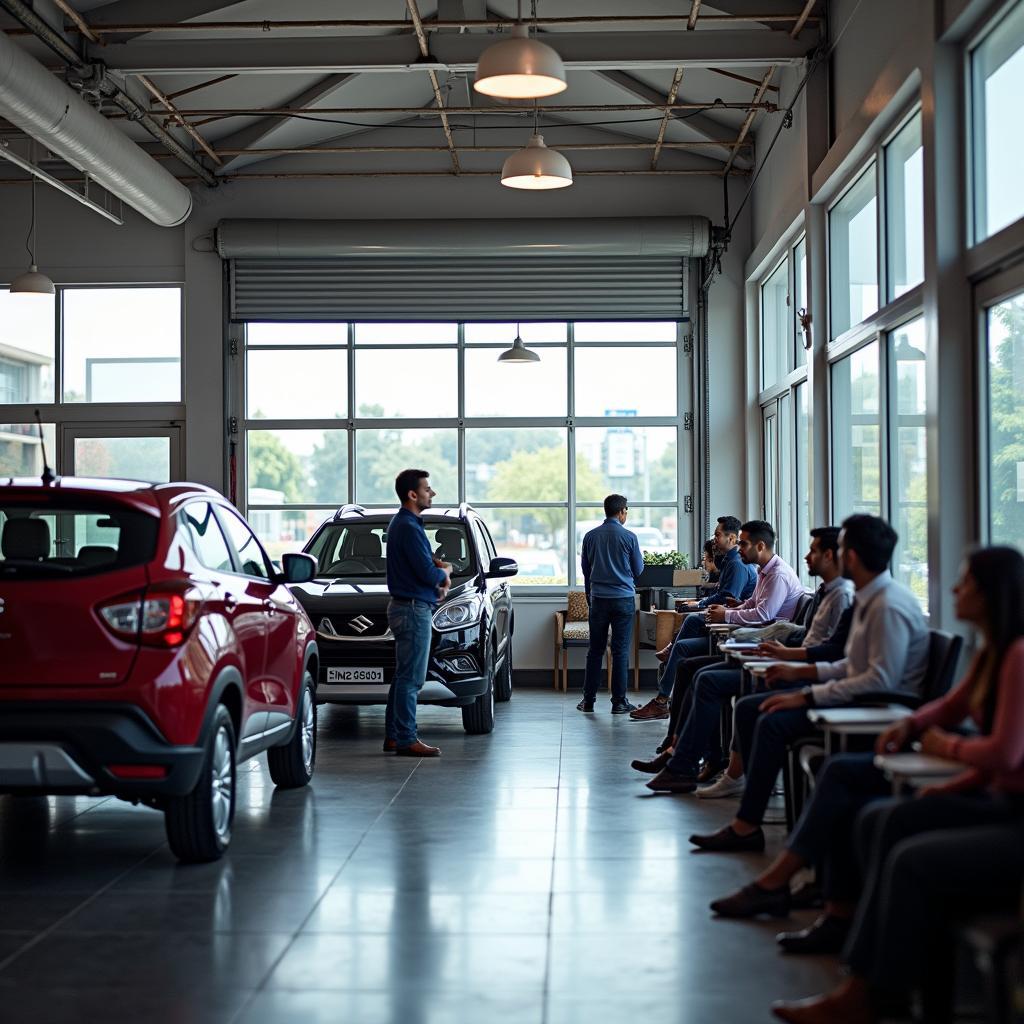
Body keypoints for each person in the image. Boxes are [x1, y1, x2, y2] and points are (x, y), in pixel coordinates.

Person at [769, 549, 1024, 1024]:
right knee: (876, 818)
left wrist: (944, 749)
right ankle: (857, 945)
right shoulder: (993, 652)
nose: (953, 590)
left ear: (991, 595)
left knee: (909, 855)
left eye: (965, 583)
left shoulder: (1018, 657)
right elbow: (948, 708)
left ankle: (875, 988)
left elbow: (1005, 756)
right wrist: (914, 730)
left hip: (1011, 815)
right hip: (994, 798)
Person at [687, 514, 930, 851]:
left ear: (850, 557)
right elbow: (849, 664)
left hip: (872, 709)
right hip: (856, 695)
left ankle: (746, 823)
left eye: (837, 549)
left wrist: (806, 693)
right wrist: (803, 677)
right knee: (752, 704)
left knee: (765, 715)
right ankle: (743, 814)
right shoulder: (868, 598)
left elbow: (875, 679)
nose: (808, 556)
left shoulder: (885, 606)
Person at [691, 526, 854, 799]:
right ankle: (701, 762)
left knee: (729, 693)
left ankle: (726, 774)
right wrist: (788, 654)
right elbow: (815, 642)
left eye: (812, 551)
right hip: (799, 663)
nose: (806, 556)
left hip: (812, 675)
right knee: (702, 674)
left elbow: (835, 653)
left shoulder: (843, 596)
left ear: (830, 555)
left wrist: (791, 660)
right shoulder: (826, 592)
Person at [645, 520, 804, 793]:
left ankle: (686, 759)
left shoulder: (777, 575)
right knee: (687, 667)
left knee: (701, 674)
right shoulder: (764, 573)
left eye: (742, 543)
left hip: (764, 649)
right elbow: (754, 606)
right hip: (756, 642)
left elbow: (765, 616)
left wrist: (727, 614)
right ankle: (675, 747)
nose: (738, 548)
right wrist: (736, 606)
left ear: (760, 546)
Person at [630, 515, 756, 721]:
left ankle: (663, 697)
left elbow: (727, 598)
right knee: (689, 622)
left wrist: (699, 605)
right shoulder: (731, 562)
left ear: (732, 538)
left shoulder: (737, 564)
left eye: (717, 535)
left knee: (689, 624)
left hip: (732, 626)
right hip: (726, 619)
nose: (714, 540)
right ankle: (665, 686)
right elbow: (723, 594)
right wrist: (699, 605)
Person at [384, 468, 451, 757]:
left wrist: (437, 565)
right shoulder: (409, 527)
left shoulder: (405, 524)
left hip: (405, 607)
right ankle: (406, 739)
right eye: (427, 489)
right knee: (412, 679)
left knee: (402, 677)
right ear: (413, 494)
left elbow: (423, 559)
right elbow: (425, 572)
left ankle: (394, 736)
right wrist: (444, 574)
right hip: (413, 610)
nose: (432, 493)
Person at [578, 494, 643, 714]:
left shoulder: (590, 536)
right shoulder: (629, 537)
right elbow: (638, 570)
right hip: (623, 599)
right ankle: (619, 703)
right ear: (622, 511)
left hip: (598, 599)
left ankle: (588, 701)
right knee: (620, 651)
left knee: (595, 650)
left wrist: (590, 594)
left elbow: (586, 570)